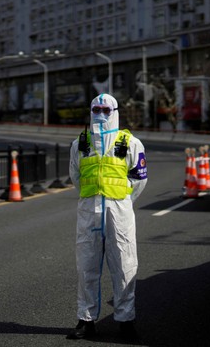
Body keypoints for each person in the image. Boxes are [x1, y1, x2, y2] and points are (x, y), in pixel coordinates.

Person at [67, 93, 148, 340]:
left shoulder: (130, 142)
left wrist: (122, 201)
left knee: (124, 267)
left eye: (105, 109)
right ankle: (86, 320)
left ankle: (125, 321)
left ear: (114, 111)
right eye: (96, 109)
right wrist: (91, 199)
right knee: (86, 268)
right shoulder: (80, 143)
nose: (100, 114)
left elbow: (139, 179)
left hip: (118, 212)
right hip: (89, 212)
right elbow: (75, 177)